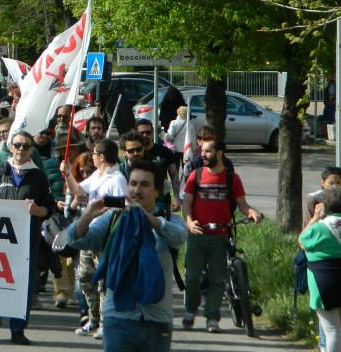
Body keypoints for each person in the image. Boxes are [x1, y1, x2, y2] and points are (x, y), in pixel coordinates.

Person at [65, 160, 187, 352]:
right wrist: (88, 214)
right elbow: (74, 240)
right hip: (119, 319)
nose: (137, 190)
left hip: (157, 320)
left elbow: (179, 238)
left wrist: (146, 217)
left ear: (158, 191)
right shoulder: (113, 218)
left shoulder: (170, 221)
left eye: (145, 185)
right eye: (133, 183)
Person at [0, 131, 53, 345]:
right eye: (18, 145)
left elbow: (49, 207)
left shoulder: (38, 176)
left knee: (23, 286)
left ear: (31, 150)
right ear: (10, 147)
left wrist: (39, 211)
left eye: (26, 146)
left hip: (25, 243)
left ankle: (17, 329)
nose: (21, 149)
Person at [182, 139, 262, 332]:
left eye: (208, 151)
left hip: (220, 235)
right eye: (202, 151)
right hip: (198, 234)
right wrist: (190, 222)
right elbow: (186, 204)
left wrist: (252, 213)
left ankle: (212, 317)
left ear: (220, 153)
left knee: (217, 279)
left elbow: (242, 205)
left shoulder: (231, 179)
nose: (203, 154)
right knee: (193, 277)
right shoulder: (196, 175)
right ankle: (191, 310)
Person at [63, 138, 127, 338]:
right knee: (84, 278)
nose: (91, 157)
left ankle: (106, 323)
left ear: (101, 157)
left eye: (94, 154)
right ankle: (93, 320)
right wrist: (67, 175)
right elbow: (79, 192)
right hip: (88, 235)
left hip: (105, 239)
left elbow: (121, 210)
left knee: (103, 283)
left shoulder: (117, 180)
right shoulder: (99, 175)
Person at [299, 187, 341, 352]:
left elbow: (302, 241)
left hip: (324, 282)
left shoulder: (319, 228)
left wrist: (316, 217)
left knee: (332, 330)